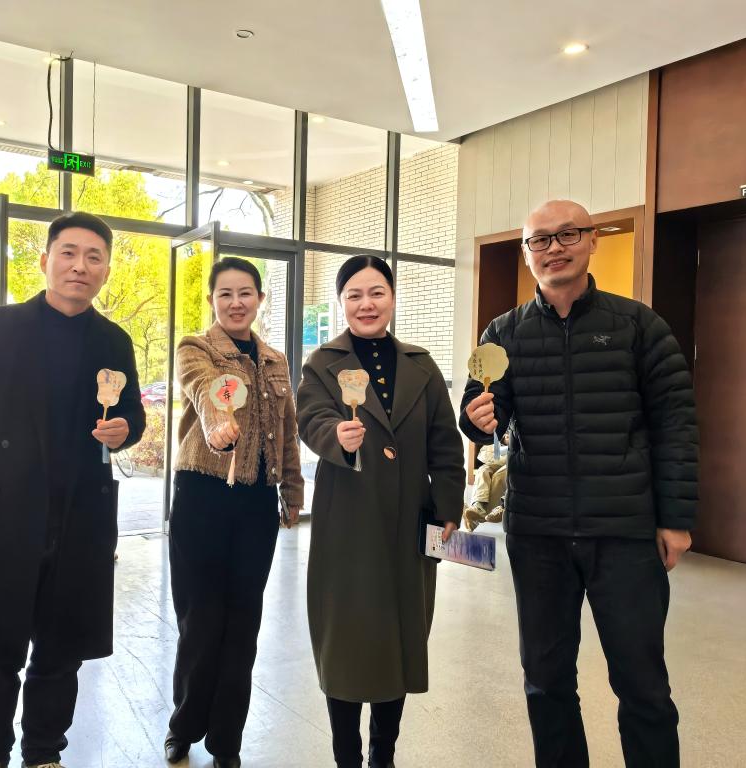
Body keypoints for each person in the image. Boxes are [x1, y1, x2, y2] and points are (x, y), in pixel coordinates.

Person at [460, 199, 698, 767]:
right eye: (540, 240)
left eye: (568, 235)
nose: (554, 248)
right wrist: (476, 415)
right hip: (538, 532)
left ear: (593, 240)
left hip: (624, 531)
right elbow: (484, 409)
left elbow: (677, 424)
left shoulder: (638, 325)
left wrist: (676, 519)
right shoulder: (504, 332)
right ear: (527, 254)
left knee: (642, 684)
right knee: (545, 682)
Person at [0, 212, 145, 768]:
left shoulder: (113, 340)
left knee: (61, 652)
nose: (80, 266)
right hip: (1, 514)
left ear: (105, 271)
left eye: (94, 257)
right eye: (69, 253)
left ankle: (45, 753)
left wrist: (124, 430)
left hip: (80, 519)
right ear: (46, 260)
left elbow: (133, 417)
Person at [296, 255, 465, 768]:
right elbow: (310, 418)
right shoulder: (323, 362)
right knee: (345, 641)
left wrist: (449, 506)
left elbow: (445, 442)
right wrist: (336, 435)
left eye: (376, 293)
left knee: (400, 637)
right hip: (347, 522)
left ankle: (383, 755)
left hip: (410, 520)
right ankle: (346, 756)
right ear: (341, 303)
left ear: (392, 298)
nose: (366, 304)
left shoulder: (421, 364)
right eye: (354, 295)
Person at [165, 257, 304, 768]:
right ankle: (183, 727)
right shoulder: (195, 348)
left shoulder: (275, 360)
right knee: (200, 620)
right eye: (225, 294)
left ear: (260, 299)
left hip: (254, 506)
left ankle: (227, 742)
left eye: (246, 293)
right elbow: (203, 388)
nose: (236, 302)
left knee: (243, 622)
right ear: (212, 301)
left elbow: (287, 431)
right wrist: (217, 422)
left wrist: (292, 490)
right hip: (202, 497)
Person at [462, 438, 507, 531]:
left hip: (514, 457)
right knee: (482, 470)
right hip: (499, 454)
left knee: (498, 477)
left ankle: (477, 518)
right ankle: (478, 506)